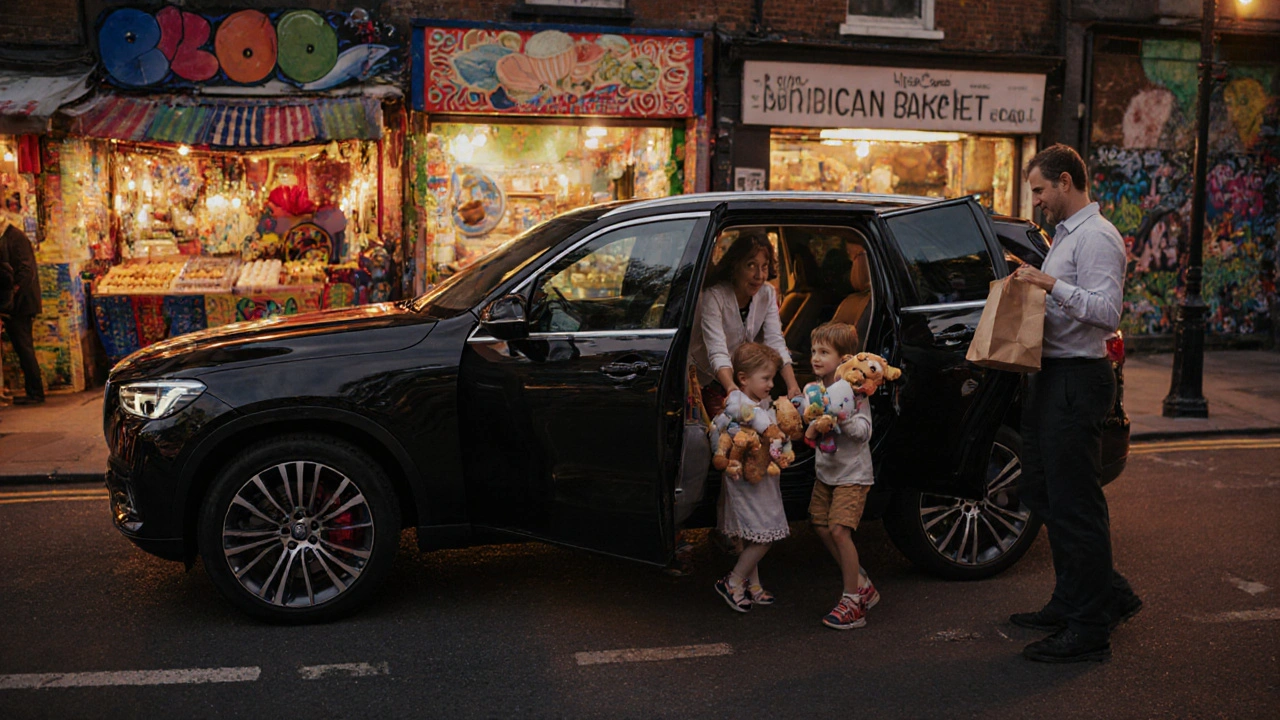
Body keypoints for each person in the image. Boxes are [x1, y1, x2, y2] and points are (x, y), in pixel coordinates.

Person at [1010, 144, 1142, 663]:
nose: (1037, 201)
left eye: (1040, 190)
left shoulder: (1098, 236)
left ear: (1066, 182)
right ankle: (1083, 597)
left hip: (1078, 379)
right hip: (1051, 376)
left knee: (1076, 506)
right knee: (1041, 492)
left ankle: (1089, 626)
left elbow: (1107, 312)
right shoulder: (1065, 236)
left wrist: (1049, 282)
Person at [804, 322, 878, 630]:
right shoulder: (817, 388)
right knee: (820, 524)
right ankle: (862, 583)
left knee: (839, 531)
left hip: (852, 474)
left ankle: (853, 602)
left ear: (845, 358)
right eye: (813, 352)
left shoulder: (856, 393)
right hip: (827, 472)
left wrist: (842, 417)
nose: (816, 358)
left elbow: (864, 431)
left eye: (824, 352)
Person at [711, 342, 791, 613]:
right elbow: (754, 419)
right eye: (766, 378)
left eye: (773, 378)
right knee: (764, 534)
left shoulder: (760, 402)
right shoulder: (738, 402)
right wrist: (773, 430)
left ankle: (752, 584)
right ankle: (732, 582)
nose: (771, 384)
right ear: (743, 379)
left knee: (752, 535)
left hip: (762, 481)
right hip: (746, 482)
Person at [690, 229, 802, 419]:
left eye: (764, 267)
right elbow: (717, 350)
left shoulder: (766, 294)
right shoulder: (714, 297)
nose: (759, 275)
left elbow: (775, 341)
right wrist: (732, 389)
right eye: (751, 265)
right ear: (735, 266)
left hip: (743, 381)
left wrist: (793, 387)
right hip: (708, 381)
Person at [0, 192, 42, 405]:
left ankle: (35, 392)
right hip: (15, 303)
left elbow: (25, 272)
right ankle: (33, 391)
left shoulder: (14, 238)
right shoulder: (10, 237)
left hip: (21, 304)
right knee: (21, 346)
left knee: (24, 346)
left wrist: (13, 293)